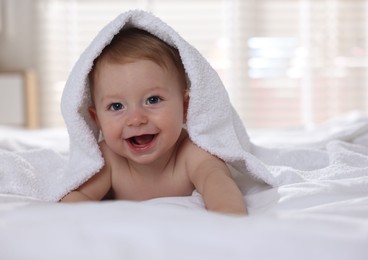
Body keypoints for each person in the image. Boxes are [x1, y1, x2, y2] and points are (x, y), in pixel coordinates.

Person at [61, 27, 247, 215]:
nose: (136, 119)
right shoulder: (107, 161)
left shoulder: (194, 154)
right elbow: (73, 200)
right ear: (97, 119)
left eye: (153, 100)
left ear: (185, 108)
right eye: (116, 106)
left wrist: (229, 221)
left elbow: (221, 188)